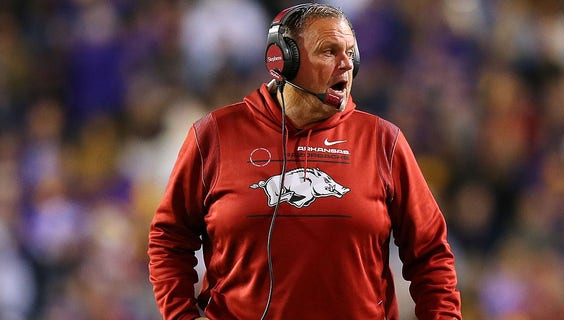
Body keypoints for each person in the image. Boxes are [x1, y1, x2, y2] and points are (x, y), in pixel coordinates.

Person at [148, 3, 462, 320]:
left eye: (350, 53)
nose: (346, 65)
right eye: (329, 51)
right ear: (284, 60)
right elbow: (169, 241)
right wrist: (181, 316)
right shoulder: (214, 135)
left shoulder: (383, 140)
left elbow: (431, 254)